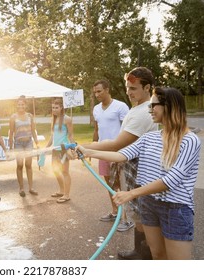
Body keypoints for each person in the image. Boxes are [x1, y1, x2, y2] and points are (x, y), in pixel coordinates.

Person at [74, 87, 201, 260]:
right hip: (149, 204)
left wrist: (131, 193)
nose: (150, 110)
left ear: (169, 106)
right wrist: (88, 152)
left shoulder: (190, 140)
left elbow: (171, 180)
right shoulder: (150, 138)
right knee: (157, 255)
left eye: (153, 106)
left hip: (175, 208)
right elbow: (121, 155)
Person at [68, 67, 158, 259]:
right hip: (131, 163)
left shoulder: (145, 112)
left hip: (142, 167)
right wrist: (86, 146)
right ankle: (138, 252)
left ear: (148, 87)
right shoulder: (137, 108)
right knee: (136, 211)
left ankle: (147, 256)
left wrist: (85, 147)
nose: (128, 92)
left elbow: (118, 144)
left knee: (143, 213)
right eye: (127, 87)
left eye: (133, 88)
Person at [92, 80, 129, 222]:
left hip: (118, 152)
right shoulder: (96, 109)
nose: (97, 94)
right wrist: (93, 147)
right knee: (109, 184)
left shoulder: (120, 106)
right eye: (95, 92)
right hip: (102, 151)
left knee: (122, 184)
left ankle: (126, 217)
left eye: (99, 91)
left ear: (107, 90)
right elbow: (97, 129)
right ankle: (114, 212)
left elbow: (127, 130)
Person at [9, 96, 40, 197]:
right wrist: (10, 148)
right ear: (16, 105)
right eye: (19, 104)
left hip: (28, 143)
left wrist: (37, 143)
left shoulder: (30, 116)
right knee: (20, 165)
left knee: (28, 164)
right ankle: (21, 188)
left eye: (22, 104)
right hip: (18, 144)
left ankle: (31, 188)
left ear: (25, 105)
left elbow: (33, 131)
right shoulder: (13, 117)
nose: (20, 106)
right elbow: (11, 133)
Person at [45, 98, 74, 203]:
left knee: (65, 171)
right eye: (53, 108)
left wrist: (72, 147)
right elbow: (52, 136)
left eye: (56, 107)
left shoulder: (67, 119)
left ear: (61, 108)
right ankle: (61, 191)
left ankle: (66, 195)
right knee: (55, 170)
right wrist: (46, 147)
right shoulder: (53, 119)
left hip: (64, 149)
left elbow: (70, 135)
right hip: (55, 149)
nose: (54, 110)